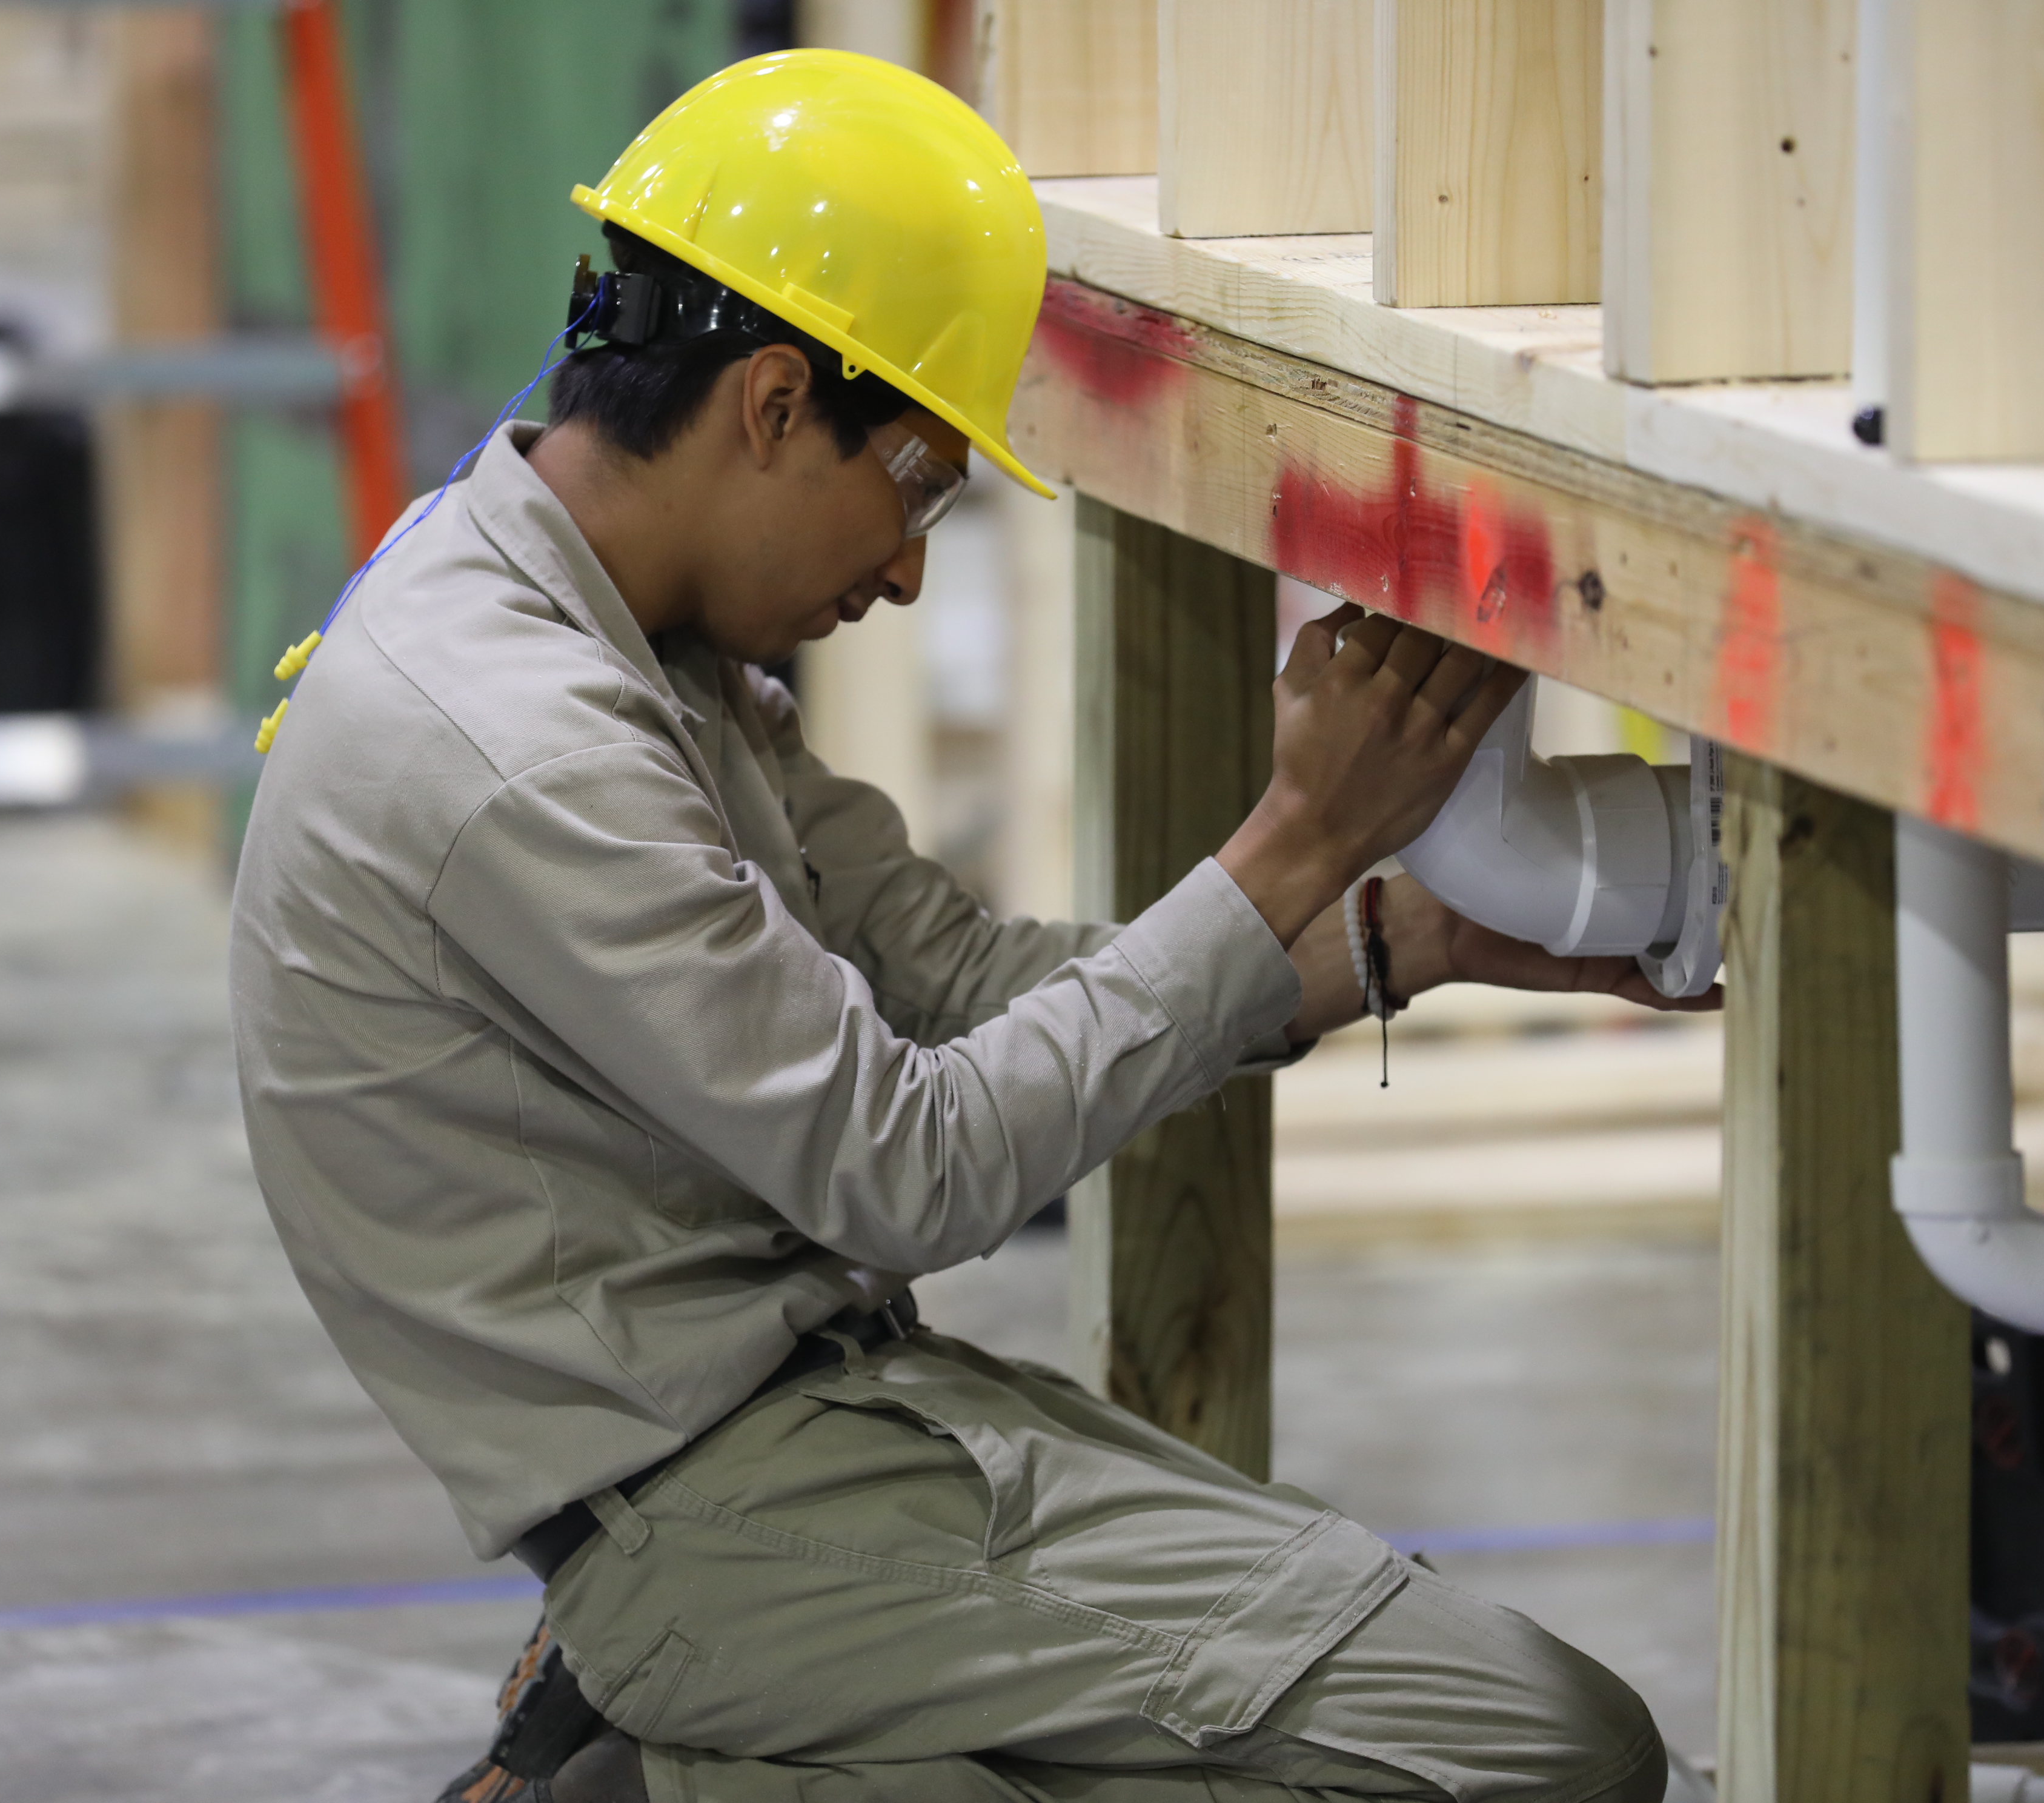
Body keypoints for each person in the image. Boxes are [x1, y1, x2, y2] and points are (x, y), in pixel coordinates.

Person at [230, 48, 1702, 1803]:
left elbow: (948, 984)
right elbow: (907, 1167)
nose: (916, 567)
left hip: (830, 1420)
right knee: (1544, 1752)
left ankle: (661, 1752)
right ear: (776, 405)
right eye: (920, 483)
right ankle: (657, 1758)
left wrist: (1403, 937)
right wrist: (1296, 836)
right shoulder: (520, 743)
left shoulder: (609, 622)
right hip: (714, 1503)